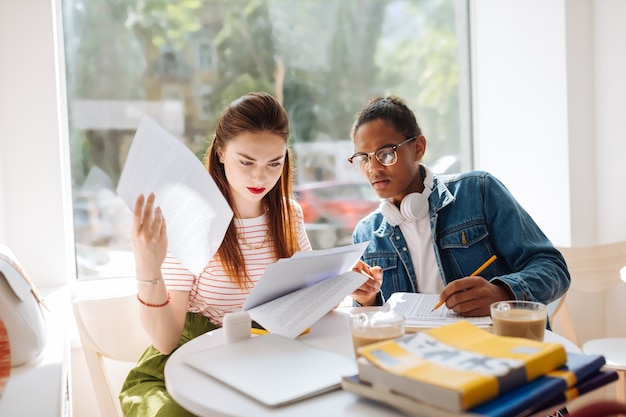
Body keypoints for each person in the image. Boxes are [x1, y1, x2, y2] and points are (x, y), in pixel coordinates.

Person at [119, 92, 312, 416]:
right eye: (246, 161)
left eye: (273, 163)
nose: (260, 177)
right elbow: (166, 341)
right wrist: (147, 265)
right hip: (189, 363)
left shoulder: (289, 215)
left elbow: (307, 297)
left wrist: (350, 288)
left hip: (262, 360)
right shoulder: (192, 219)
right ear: (221, 152)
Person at [348, 96, 570, 317]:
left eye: (386, 153)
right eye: (364, 158)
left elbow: (554, 269)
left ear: (418, 147)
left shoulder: (478, 191)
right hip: (415, 349)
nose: (373, 168)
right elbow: (374, 319)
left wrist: (502, 293)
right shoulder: (366, 233)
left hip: (492, 344)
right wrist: (368, 299)